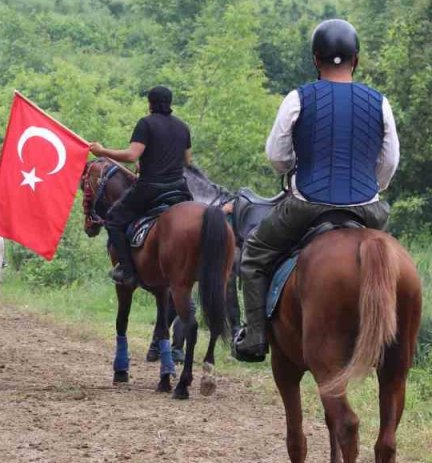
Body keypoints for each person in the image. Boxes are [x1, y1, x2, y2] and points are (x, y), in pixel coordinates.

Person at [232, 19, 399, 363]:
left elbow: (276, 155)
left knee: (254, 255)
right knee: (390, 261)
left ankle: (255, 337)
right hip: (367, 207)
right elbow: (389, 161)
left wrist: (292, 171)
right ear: (357, 58)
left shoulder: (298, 98)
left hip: (307, 205)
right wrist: (372, 188)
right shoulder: (379, 102)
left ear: (315, 59)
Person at [88, 86, 193, 288]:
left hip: (151, 189)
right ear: (170, 103)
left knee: (113, 219)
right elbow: (187, 161)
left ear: (150, 103)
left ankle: (126, 270)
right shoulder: (183, 127)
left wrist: (102, 151)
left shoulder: (146, 124)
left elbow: (132, 155)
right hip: (179, 189)